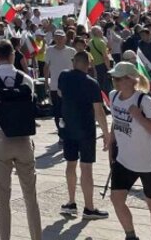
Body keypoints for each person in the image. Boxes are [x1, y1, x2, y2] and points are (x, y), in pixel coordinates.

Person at [0, 40, 43, 240]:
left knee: (3, 195)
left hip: (1, 138)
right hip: (24, 139)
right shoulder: (26, 79)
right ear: (13, 55)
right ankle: (36, 237)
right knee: (30, 196)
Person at [105, 61, 151, 240]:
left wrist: (138, 116)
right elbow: (116, 121)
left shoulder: (143, 100)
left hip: (149, 163)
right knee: (116, 199)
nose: (115, 81)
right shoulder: (113, 96)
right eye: (114, 77)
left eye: (119, 78)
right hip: (124, 161)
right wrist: (111, 140)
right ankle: (130, 235)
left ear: (131, 80)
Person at [56, 51, 110, 219]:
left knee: (70, 164)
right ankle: (89, 207)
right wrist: (106, 133)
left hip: (68, 127)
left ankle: (71, 202)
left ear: (74, 62)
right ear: (88, 64)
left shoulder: (63, 76)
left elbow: (59, 93)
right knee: (86, 167)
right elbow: (99, 111)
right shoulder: (91, 83)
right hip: (86, 129)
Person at [44, 30, 76, 134]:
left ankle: (69, 130)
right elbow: (46, 67)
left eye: (61, 37)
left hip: (70, 86)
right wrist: (45, 82)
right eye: (57, 37)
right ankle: (61, 133)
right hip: (54, 85)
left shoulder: (71, 51)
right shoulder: (49, 50)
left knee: (69, 110)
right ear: (54, 38)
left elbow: (76, 66)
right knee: (57, 111)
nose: (59, 39)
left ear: (65, 38)